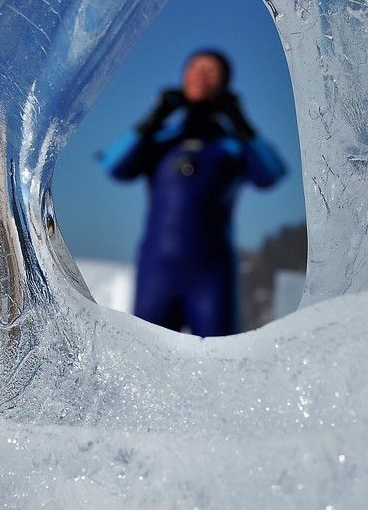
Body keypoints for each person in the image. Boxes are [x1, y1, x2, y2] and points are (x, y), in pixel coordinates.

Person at [99, 50, 287, 337]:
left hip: (212, 272)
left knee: (218, 357)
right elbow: (115, 167)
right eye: (195, 68)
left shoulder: (231, 143)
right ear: (184, 76)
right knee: (147, 352)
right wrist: (153, 119)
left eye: (211, 71)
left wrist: (242, 123)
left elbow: (270, 175)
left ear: (224, 83)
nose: (200, 75)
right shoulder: (162, 138)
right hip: (157, 271)